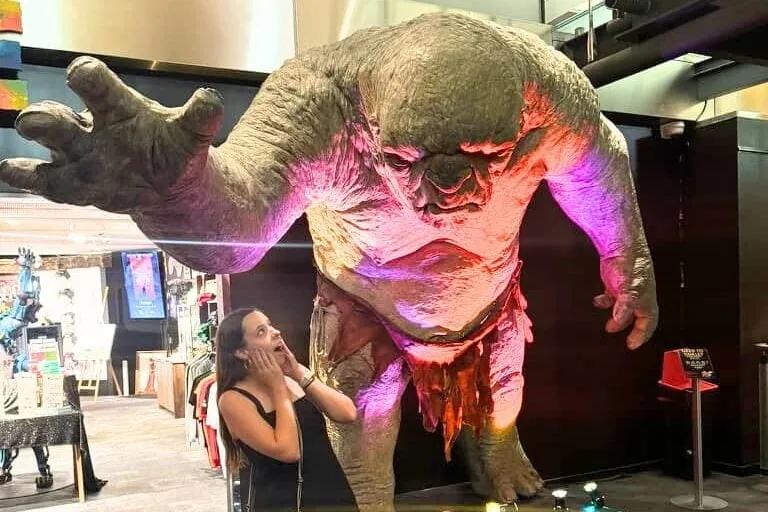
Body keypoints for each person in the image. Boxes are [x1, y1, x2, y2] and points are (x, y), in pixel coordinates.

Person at [216, 308, 359, 512]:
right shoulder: (233, 399)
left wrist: (298, 372)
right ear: (241, 352)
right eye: (261, 331)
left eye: (271, 324)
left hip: (334, 495)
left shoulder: (292, 378)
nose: (276, 332)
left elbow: (347, 413)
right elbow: (289, 451)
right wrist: (278, 389)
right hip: (286, 503)